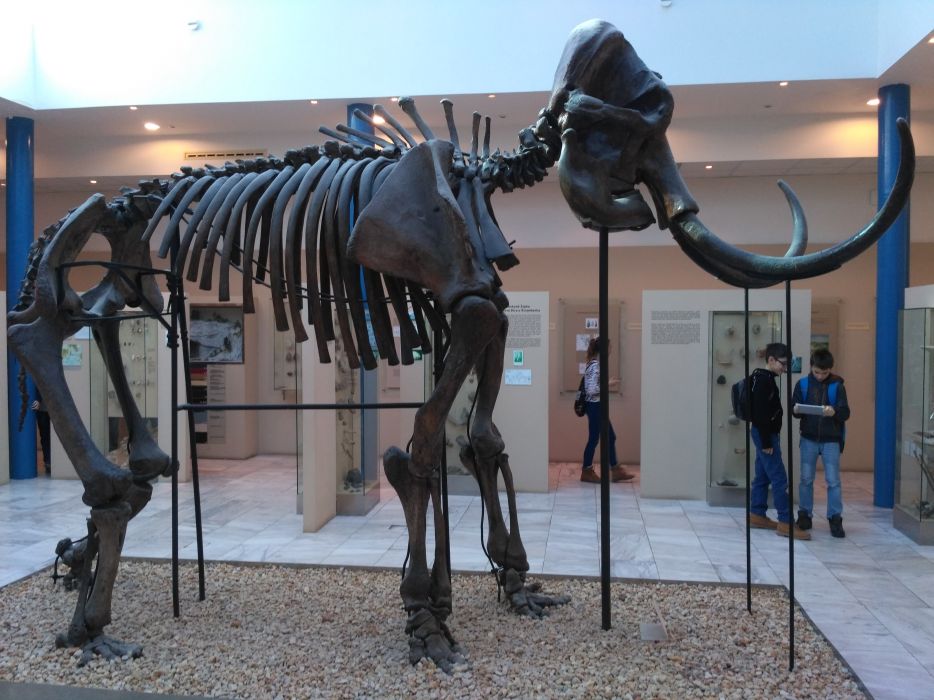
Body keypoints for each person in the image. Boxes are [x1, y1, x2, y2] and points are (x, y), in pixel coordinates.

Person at [748, 342, 810, 540]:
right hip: (765, 436)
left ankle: (757, 514)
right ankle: (785, 522)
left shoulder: (764, 378)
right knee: (779, 478)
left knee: (762, 476)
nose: (785, 369)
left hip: (764, 434)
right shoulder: (763, 381)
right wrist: (766, 442)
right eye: (783, 364)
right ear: (771, 360)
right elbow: (760, 414)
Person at [792, 349, 850, 538]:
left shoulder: (837, 386)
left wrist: (834, 412)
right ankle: (804, 515)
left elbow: (845, 413)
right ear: (811, 367)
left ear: (830, 370)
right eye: (817, 372)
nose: (820, 376)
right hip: (808, 438)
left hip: (831, 439)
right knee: (806, 479)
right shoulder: (802, 384)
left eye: (824, 373)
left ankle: (835, 518)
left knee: (833, 481)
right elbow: (794, 410)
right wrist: (796, 409)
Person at [580, 336, 634, 484]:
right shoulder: (595, 365)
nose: (611, 349)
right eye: (610, 347)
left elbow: (593, 387)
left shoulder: (594, 364)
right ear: (604, 348)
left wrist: (606, 383)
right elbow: (592, 390)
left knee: (610, 437)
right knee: (594, 439)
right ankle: (587, 471)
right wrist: (608, 384)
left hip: (596, 406)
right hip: (595, 407)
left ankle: (615, 470)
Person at [32, 391, 51, 476]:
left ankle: (49, 462)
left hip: (50, 409)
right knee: (45, 437)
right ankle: (48, 462)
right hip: (42, 409)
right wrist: (37, 399)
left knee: (48, 438)